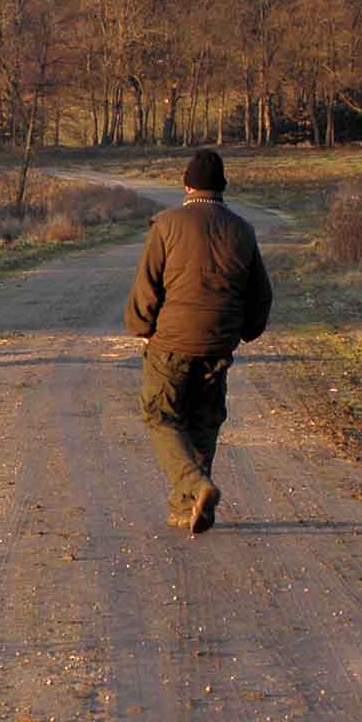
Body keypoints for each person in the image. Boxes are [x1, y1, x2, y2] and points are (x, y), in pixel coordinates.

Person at [123, 149, 272, 535]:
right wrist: (244, 332)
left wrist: (142, 326)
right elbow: (261, 294)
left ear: (186, 185)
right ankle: (187, 508)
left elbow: (147, 286)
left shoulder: (167, 225)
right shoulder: (243, 230)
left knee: (160, 414)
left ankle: (195, 486)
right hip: (218, 346)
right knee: (204, 420)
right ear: (222, 188)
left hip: (172, 343)